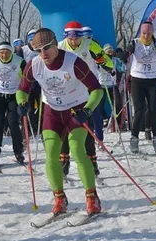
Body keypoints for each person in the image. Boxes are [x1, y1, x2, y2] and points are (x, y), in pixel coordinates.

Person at [16, 28, 103, 215]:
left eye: (46, 48)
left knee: (78, 150)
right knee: (51, 155)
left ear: (55, 44)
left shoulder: (74, 62)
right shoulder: (34, 65)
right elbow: (22, 89)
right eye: (38, 50)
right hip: (52, 112)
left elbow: (97, 90)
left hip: (75, 109)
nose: (43, 53)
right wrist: (22, 102)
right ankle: (60, 199)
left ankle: (92, 198)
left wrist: (87, 110)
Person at [58, 21, 113, 177]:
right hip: (67, 90)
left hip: (88, 90)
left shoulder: (90, 45)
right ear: (66, 36)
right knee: (66, 125)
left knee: (87, 125)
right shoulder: (60, 46)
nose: (74, 41)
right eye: (71, 38)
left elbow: (108, 64)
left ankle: (92, 161)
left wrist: (102, 60)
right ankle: (64, 160)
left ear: (81, 36)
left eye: (77, 38)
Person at [127, 21, 156, 153]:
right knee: (139, 110)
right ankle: (134, 139)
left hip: (153, 80)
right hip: (138, 80)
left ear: (152, 32)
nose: (146, 35)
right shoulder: (135, 42)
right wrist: (126, 52)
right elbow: (129, 50)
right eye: (144, 33)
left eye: (149, 33)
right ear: (141, 32)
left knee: (153, 110)